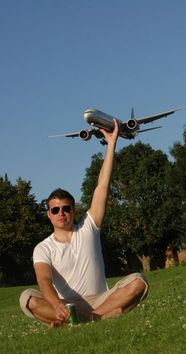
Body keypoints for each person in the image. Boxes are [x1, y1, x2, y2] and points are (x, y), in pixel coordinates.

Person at [19, 120, 149, 327]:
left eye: (66, 208)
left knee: (138, 281)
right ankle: (89, 317)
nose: (61, 213)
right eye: (55, 210)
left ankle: (84, 320)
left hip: (102, 299)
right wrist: (56, 304)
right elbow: (44, 280)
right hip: (66, 304)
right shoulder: (43, 248)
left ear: (73, 210)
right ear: (49, 215)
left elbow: (102, 186)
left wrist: (111, 143)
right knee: (28, 298)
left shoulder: (88, 227)